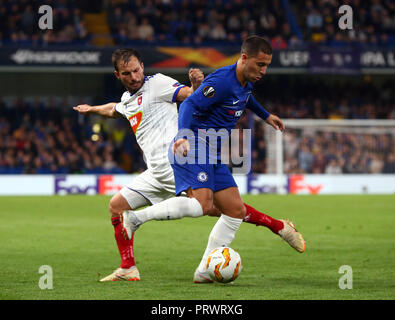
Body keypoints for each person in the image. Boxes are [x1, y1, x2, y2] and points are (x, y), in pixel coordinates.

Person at [121, 37, 305, 284]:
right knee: (202, 205)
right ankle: (135, 218)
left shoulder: (245, 82)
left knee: (235, 211)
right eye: (260, 64)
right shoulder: (221, 81)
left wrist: (266, 115)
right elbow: (189, 104)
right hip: (194, 144)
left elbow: (246, 98)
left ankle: (205, 271)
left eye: (266, 65)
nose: (263, 70)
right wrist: (183, 136)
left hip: (212, 151)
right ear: (243, 58)